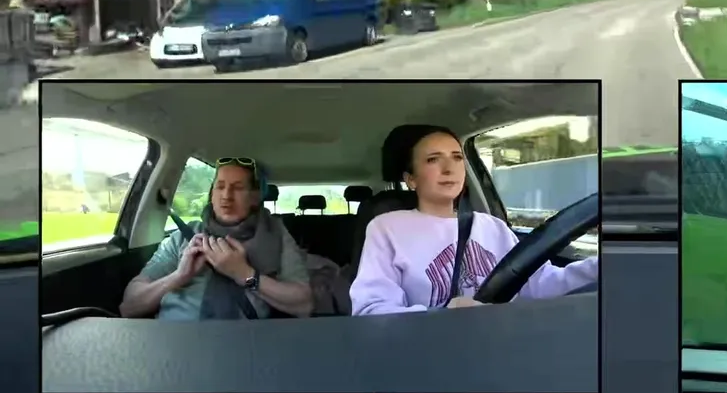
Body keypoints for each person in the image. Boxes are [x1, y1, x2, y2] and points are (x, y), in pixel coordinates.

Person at [350, 125, 599, 314]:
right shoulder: (387, 228)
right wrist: (442, 313)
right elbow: (372, 310)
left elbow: (539, 284)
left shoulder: (492, 226)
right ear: (411, 179)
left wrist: (601, 266)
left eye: (457, 157)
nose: (449, 168)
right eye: (433, 159)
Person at [119, 157, 313, 320]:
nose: (226, 196)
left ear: (255, 197)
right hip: (175, 338)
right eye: (220, 186)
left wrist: (245, 274)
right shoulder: (183, 237)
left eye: (238, 188)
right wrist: (179, 276)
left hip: (246, 342)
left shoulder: (276, 235)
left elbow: (304, 304)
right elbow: (128, 306)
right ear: (212, 194)